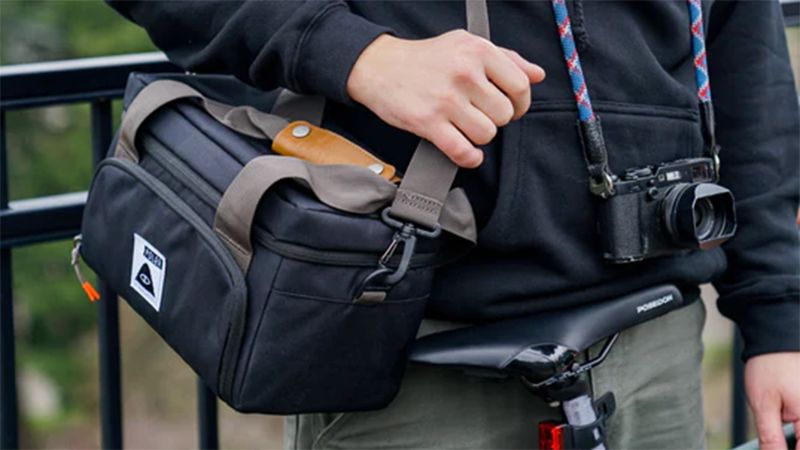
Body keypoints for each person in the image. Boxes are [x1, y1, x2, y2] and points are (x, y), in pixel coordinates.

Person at [107, 1, 800, 448]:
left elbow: (747, 64)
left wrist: (779, 319)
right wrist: (356, 54)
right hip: (411, 349)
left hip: (658, 343)